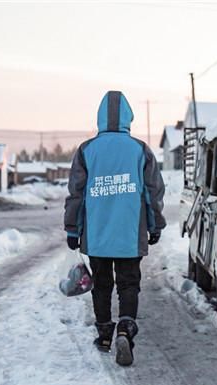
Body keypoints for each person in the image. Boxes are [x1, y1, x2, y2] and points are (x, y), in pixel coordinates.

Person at [64, 90, 166, 367]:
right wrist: (155, 224)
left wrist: (73, 229)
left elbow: (77, 193)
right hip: (129, 234)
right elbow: (152, 192)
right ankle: (125, 328)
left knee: (102, 284)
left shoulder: (86, 150)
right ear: (128, 117)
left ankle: (106, 334)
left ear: (99, 117)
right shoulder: (140, 150)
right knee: (129, 283)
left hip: (96, 235)